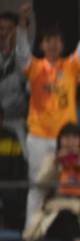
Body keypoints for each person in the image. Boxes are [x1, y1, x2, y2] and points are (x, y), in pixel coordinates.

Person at [15, 3, 80, 229]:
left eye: (56, 40)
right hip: (39, 137)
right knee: (38, 187)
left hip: (65, 140)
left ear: (62, 44)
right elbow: (21, 55)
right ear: (41, 44)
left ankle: (70, 233)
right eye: (48, 40)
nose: (52, 44)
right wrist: (21, 26)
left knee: (69, 187)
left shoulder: (70, 67)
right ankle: (32, 233)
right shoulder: (34, 67)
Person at [22, 124, 80, 241]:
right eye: (66, 137)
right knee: (65, 215)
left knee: (70, 218)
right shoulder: (51, 160)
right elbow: (41, 184)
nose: (70, 142)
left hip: (78, 211)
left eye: (74, 137)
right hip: (54, 213)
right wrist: (56, 164)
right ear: (60, 141)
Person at [0, 11, 27, 153]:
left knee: (24, 158)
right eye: (1, 29)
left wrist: (11, 52)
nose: (4, 33)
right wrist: (4, 54)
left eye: (9, 29)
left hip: (16, 119)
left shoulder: (25, 56)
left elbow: (24, 77)